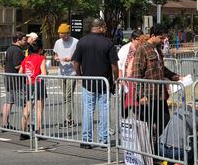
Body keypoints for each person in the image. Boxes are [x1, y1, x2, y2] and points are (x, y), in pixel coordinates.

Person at [72, 19, 118, 149]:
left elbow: (75, 61)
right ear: (101, 27)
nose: (106, 29)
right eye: (105, 27)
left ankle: (87, 140)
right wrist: (116, 79)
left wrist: (80, 76)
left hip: (88, 81)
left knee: (88, 110)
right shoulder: (108, 42)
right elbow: (114, 65)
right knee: (104, 111)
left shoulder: (82, 41)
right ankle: (103, 140)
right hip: (104, 82)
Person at [132, 23, 180, 140]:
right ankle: (148, 153)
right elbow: (137, 74)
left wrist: (175, 76)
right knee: (147, 126)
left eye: (164, 38)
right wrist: (141, 95)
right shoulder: (142, 50)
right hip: (148, 96)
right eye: (161, 38)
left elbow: (161, 68)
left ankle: (161, 150)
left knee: (164, 124)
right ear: (153, 35)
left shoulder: (157, 49)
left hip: (160, 95)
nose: (163, 40)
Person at [20, 41, 47, 141]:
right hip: (38, 83)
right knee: (39, 109)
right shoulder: (41, 58)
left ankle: (23, 131)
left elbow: (20, 72)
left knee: (27, 108)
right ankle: (38, 132)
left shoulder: (26, 58)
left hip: (28, 84)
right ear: (40, 49)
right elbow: (43, 73)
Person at [53, 23, 78, 126]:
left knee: (68, 96)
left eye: (64, 36)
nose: (63, 38)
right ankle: (67, 118)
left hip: (71, 72)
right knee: (64, 96)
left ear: (68, 34)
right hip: (61, 72)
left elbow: (79, 56)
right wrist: (56, 58)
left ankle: (69, 119)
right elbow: (56, 54)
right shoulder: (58, 42)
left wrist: (71, 58)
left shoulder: (76, 42)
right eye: (61, 36)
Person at [117, 29, 144, 117]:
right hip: (126, 83)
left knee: (139, 110)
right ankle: (124, 126)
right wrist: (121, 80)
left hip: (138, 84)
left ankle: (139, 128)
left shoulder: (142, 49)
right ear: (133, 39)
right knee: (125, 109)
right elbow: (119, 65)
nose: (141, 42)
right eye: (140, 40)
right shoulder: (125, 49)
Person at [3, 32, 27, 129]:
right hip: (16, 81)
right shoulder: (17, 50)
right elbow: (17, 65)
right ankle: (26, 125)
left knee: (8, 102)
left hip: (9, 79)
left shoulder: (9, 48)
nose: (25, 42)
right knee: (24, 104)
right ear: (18, 40)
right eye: (24, 40)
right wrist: (27, 64)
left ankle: (5, 123)